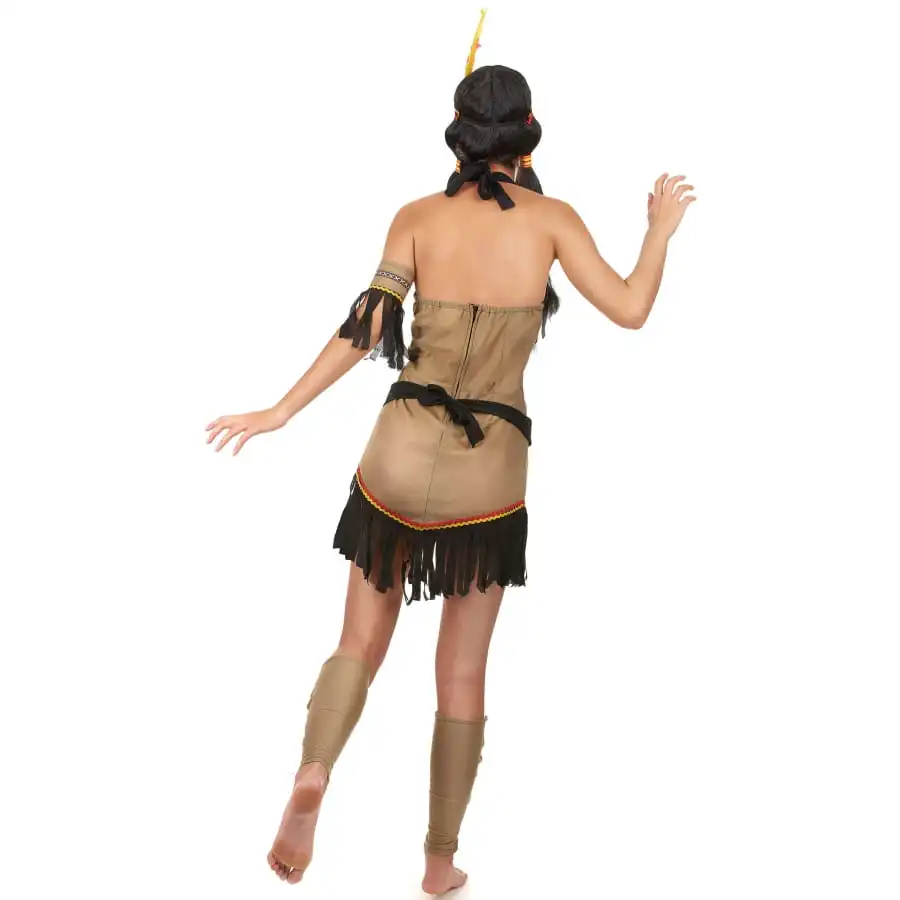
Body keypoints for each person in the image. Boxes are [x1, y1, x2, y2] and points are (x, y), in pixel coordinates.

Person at [205, 13, 694, 894]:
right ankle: (438, 863)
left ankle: (313, 772)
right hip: (489, 471)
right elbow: (630, 309)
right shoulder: (552, 221)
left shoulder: (417, 217)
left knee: (359, 639)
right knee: (461, 672)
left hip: (395, 454)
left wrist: (280, 409)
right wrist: (657, 232)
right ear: (530, 136)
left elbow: (365, 330)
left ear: (459, 135)